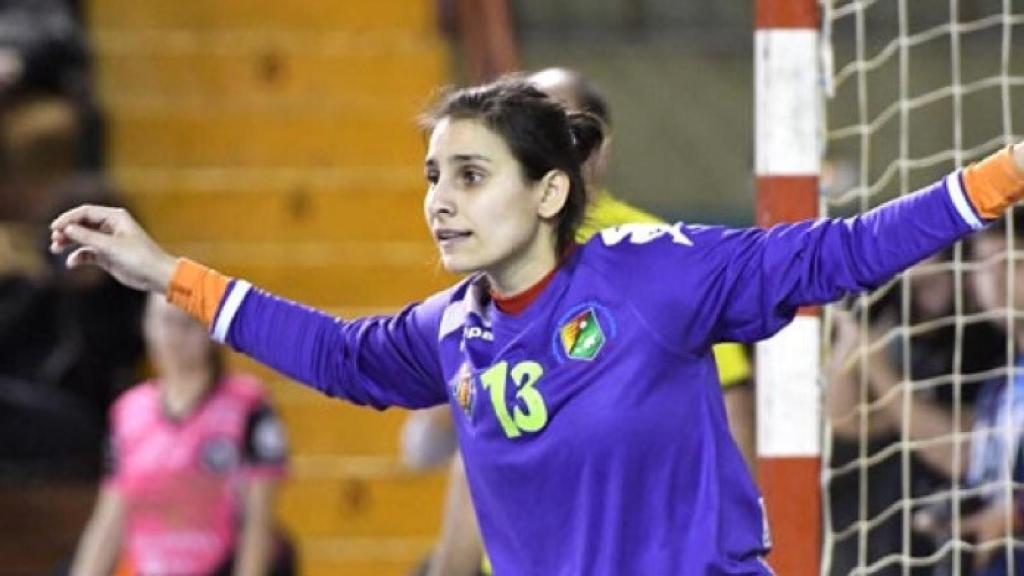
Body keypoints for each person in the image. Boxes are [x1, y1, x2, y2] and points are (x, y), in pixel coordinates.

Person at [49, 76, 1024, 574]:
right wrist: (165, 270)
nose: (439, 201)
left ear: (551, 189)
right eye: (433, 177)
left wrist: (1001, 175)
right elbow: (339, 356)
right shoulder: (450, 328)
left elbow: (840, 252)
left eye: (469, 177)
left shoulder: (657, 277)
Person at [401, 66, 754, 576]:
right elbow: (472, 436)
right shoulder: (496, 260)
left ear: (598, 149)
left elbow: (729, 411)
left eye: (560, 127)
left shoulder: (658, 256)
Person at [68, 295, 293, 576]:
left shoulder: (248, 406)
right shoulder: (128, 411)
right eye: (165, 322)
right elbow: (110, 517)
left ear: (211, 331)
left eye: (188, 324)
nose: (174, 336)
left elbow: (258, 520)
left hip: (222, 562)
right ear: (146, 327)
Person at [825, 250, 1006, 576]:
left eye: (939, 259)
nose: (927, 273)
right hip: (888, 543)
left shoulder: (987, 341)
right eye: (916, 259)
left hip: (959, 545)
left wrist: (877, 366)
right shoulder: (898, 336)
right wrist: (854, 330)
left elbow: (961, 448)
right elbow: (850, 422)